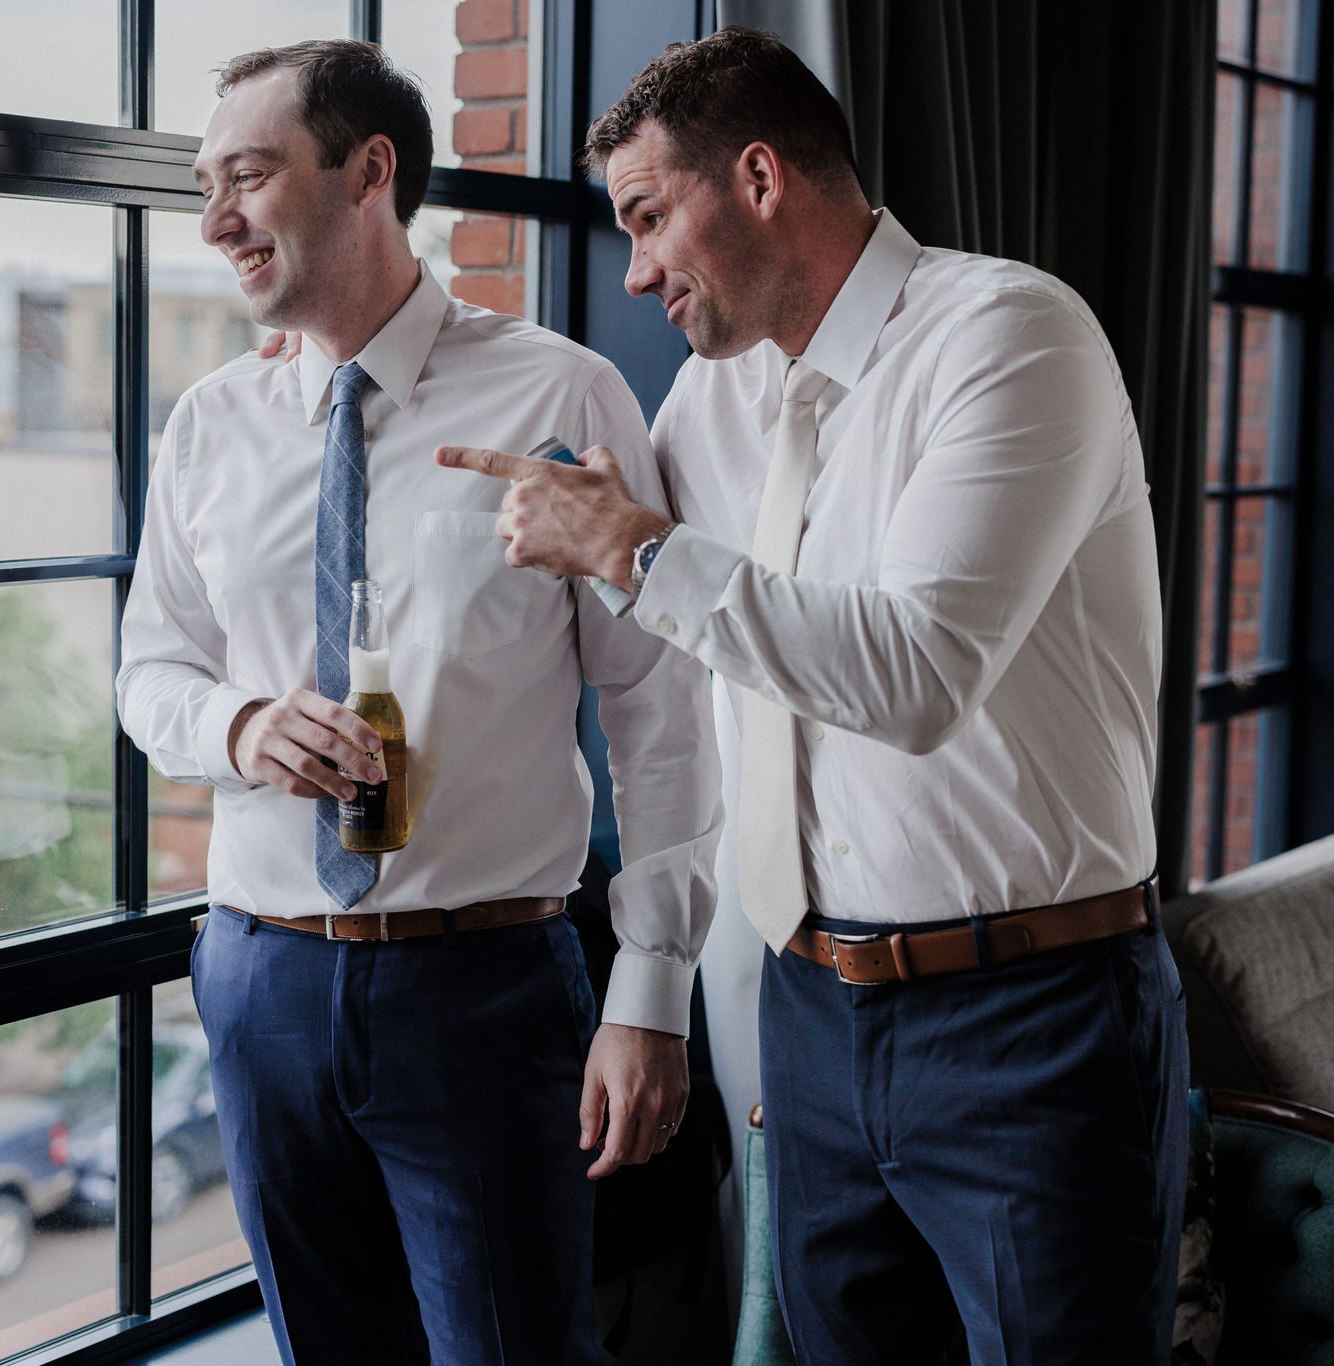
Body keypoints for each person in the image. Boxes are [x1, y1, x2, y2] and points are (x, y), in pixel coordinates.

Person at [438, 27, 1188, 1366]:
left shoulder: (1011, 336)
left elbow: (911, 676)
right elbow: (633, 615)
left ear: (763, 178)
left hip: (1034, 1019)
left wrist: (625, 544)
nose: (636, 269)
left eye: (651, 217)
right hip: (810, 1019)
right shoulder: (717, 410)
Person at [114, 38, 720, 1366]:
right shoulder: (209, 423)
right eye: (205, 185)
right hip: (261, 973)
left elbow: (661, 718)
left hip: (486, 987)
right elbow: (147, 672)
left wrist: (656, 992)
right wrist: (241, 726)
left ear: (370, 172)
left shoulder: (563, 393)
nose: (215, 220)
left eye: (250, 177)